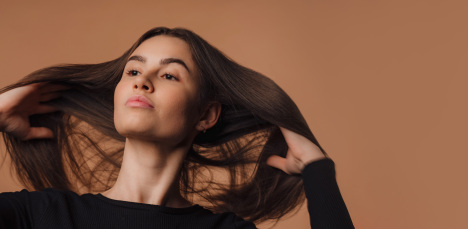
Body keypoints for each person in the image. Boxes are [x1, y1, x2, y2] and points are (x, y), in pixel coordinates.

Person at [0, 27, 354, 228]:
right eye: (133, 71)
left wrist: (317, 169)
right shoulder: (43, 215)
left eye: (169, 74)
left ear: (206, 115)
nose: (143, 82)